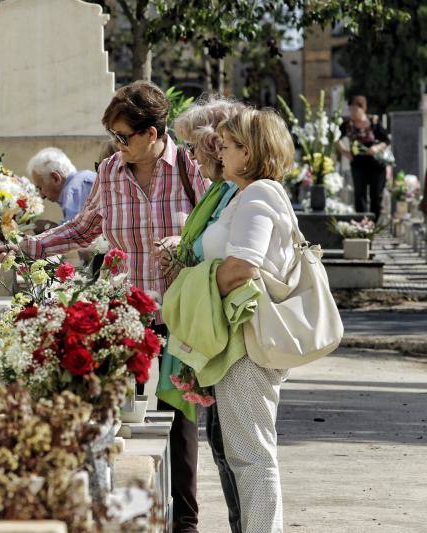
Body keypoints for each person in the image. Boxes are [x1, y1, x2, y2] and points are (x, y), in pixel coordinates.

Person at [0, 80, 210, 533]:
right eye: (114, 136)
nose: (118, 145)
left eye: (124, 136)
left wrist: (186, 244)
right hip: (127, 319)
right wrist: (25, 247)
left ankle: (185, 524)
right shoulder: (111, 171)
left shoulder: (191, 167)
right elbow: (81, 228)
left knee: (181, 427)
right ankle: (134, 520)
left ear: (152, 133)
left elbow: (221, 227)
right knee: (125, 425)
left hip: (182, 317)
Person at [189, 107, 295, 533]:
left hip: (248, 340)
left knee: (251, 455)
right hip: (241, 334)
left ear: (248, 153)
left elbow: (242, 267)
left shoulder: (257, 196)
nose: (221, 154)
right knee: (246, 452)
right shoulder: (248, 193)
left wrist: (192, 285)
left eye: (229, 146)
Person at [157, 95, 246, 533]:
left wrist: (188, 260)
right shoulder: (220, 190)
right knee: (224, 445)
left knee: (239, 451)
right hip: (213, 325)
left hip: (231, 333)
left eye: (194, 147)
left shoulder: (238, 192)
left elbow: (240, 261)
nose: (190, 157)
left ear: (215, 145)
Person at [338, 95, 390, 220]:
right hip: (358, 164)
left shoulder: (374, 122)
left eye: (355, 110)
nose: (353, 113)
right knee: (359, 195)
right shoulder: (347, 124)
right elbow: (334, 137)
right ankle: (362, 223)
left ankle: (373, 224)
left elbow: (386, 140)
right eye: (351, 110)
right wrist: (345, 152)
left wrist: (376, 148)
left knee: (376, 195)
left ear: (363, 109)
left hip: (376, 164)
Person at [27, 147, 97, 225]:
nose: (41, 195)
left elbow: (75, 234)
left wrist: (48, 228)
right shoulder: (83, 179)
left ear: (56, 178)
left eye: (40, 188)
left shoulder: (74, 191)